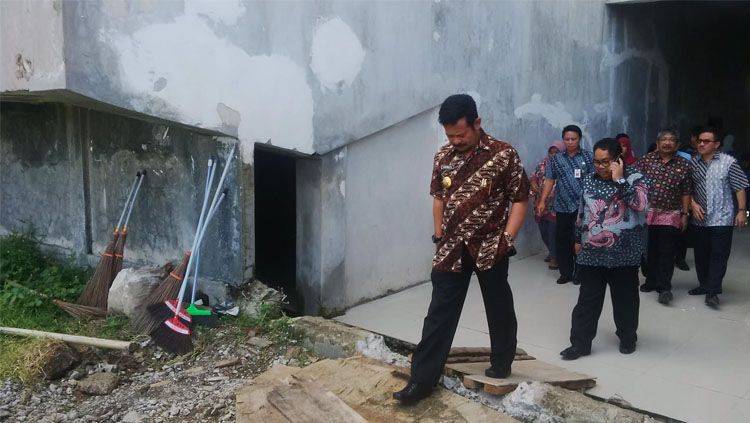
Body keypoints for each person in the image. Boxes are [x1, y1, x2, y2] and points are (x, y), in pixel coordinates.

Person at [393, 94, 530, 405]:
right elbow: (439, 196)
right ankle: (421, 381)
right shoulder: (443, 156)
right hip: (451, 248)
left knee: (498, 304)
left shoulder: (504, 155)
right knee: (439, 313)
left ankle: (502, 360)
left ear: (477, 123)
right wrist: (439, 234)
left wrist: (506, 240)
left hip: (489, 246)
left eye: (461, 134)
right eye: (450, 135)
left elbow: (520, 199)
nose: (455, 140)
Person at [560, 138, 649, 360]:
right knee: (587, 301)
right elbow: (583, 212)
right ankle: (580, 344)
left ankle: (628, 338)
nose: (600, 167)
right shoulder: (589, 181)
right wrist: (578, 239)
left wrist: (620, 181)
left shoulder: (636, 178)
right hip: (592, 254)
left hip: (624, 254)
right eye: (597, 162)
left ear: (619, 159)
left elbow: (641, 205)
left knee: (625, 301)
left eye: (605, 162)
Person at [689, 127, 749, 308]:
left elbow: (740, 187)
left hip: (722, 217)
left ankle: (713, 291)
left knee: (718, 255)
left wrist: (742, 211)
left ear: (717, 144)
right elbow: (686, 188)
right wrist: (692, 203)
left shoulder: (728, 162)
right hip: (699, 218)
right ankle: (704, 285)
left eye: (706, 141)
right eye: (699, 140)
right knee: (701, 254)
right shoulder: (692, 163)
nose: (701, 144)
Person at [634, 128, 692, 305]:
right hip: (647, 213)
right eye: (664, 140)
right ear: (657, 143)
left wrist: (685, 213)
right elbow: (635, 182)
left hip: (671, 214)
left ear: (677, 144)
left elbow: (686, 191)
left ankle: (664, 287)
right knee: (649, 249)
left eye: (671, 140)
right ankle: (651, 280)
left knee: (667, 251)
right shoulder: (645, 161)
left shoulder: (684, 164)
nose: (667, 143)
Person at [537, 125, 594, 285]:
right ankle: (566, 272)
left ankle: (580, 272)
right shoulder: (556, 159)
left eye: (573, 139)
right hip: (562, 205)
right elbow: (549, 180)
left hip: (582, 206)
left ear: (579, 139)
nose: (570, 142)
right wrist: (542, 200)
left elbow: (594, 179)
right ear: (563, 140)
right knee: (562, 240)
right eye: (567, 139)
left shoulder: (588, 158)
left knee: (580, 240)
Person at [674, 125, 703, 271]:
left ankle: (680, 258)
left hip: (685, 199)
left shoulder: (686, 157)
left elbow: (691, 180)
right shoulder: (655, 157)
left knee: (683, 231)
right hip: (665, 202)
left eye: (673, 140)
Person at [531, 141, 564, 269]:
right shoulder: (543, 164)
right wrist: (533, 182)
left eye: (557, 152)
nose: (554, 154)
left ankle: (555, 258)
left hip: (556, 205)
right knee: (543, 231)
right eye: (552, 152)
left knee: (552, 232)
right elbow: (534, 176)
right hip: (540, 204)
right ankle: (552, 252)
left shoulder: (564, 165)